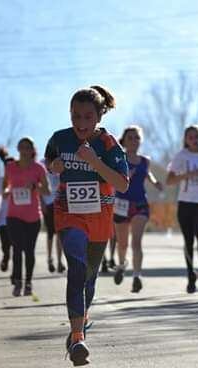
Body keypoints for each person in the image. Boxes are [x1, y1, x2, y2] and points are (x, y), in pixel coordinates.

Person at [44, 85, 129, 366]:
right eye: (75, 116)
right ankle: (78, 337)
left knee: (89, 281)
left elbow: (122, 184)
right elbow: (49, 161)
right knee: (77, 269)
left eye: (87, 117)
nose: (80, 123)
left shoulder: (108, 145)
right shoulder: (59, 139)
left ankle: (81, 322)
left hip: (100, 219)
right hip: (69, 214)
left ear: (99, 117)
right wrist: (54, 166)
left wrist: (94, 161)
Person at [112, 125, 163, 292]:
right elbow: (111, 179)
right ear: (124, 141)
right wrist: (125, 177)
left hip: (140, 204)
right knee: (122, 244)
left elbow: (147, 174)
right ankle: (121, 265)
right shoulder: (119, 159)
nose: (134, 141)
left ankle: (137, 276)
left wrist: (155, 183)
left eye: (137, 138)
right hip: (121, 204)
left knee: (136, 243)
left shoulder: (144, 161)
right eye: (130, 138)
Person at [167, 125, 198, 293]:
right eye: (190, 137)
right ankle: (190, 276)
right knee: (188, 239)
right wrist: (187, 175)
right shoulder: (181, 156)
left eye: (197, 136)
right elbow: (169, 180)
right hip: (185, 202)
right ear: (186, 140)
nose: (194, 139)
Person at [3, 137, 51, 297]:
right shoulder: (10, 167)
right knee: (17, 249)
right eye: (21, 147)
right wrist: (6, 192)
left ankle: (28, 282)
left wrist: (36, 187)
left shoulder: (38, 168)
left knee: (29, 251)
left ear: (32, 150)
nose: (24, 151)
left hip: (33, 217)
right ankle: (17, 282)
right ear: (18, 149)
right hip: (13, 215)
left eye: (27, 148)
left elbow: (47, 191)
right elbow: (6, 185)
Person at [0, 146, 14, 273]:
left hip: (17, 217)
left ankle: (16, 274)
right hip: (3, 219)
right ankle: (6, 257)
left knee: (16, 246)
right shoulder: (0, 180)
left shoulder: (19, 179)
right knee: (6, 245)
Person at [41, 159, 66, 273]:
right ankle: (50, 259)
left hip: (60, 202)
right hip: (49, 203)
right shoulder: (42, 165)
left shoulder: (60, 161)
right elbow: (39, 186)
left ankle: (60, 262)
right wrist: (42, 204)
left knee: (60, 233)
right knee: (51, 233)